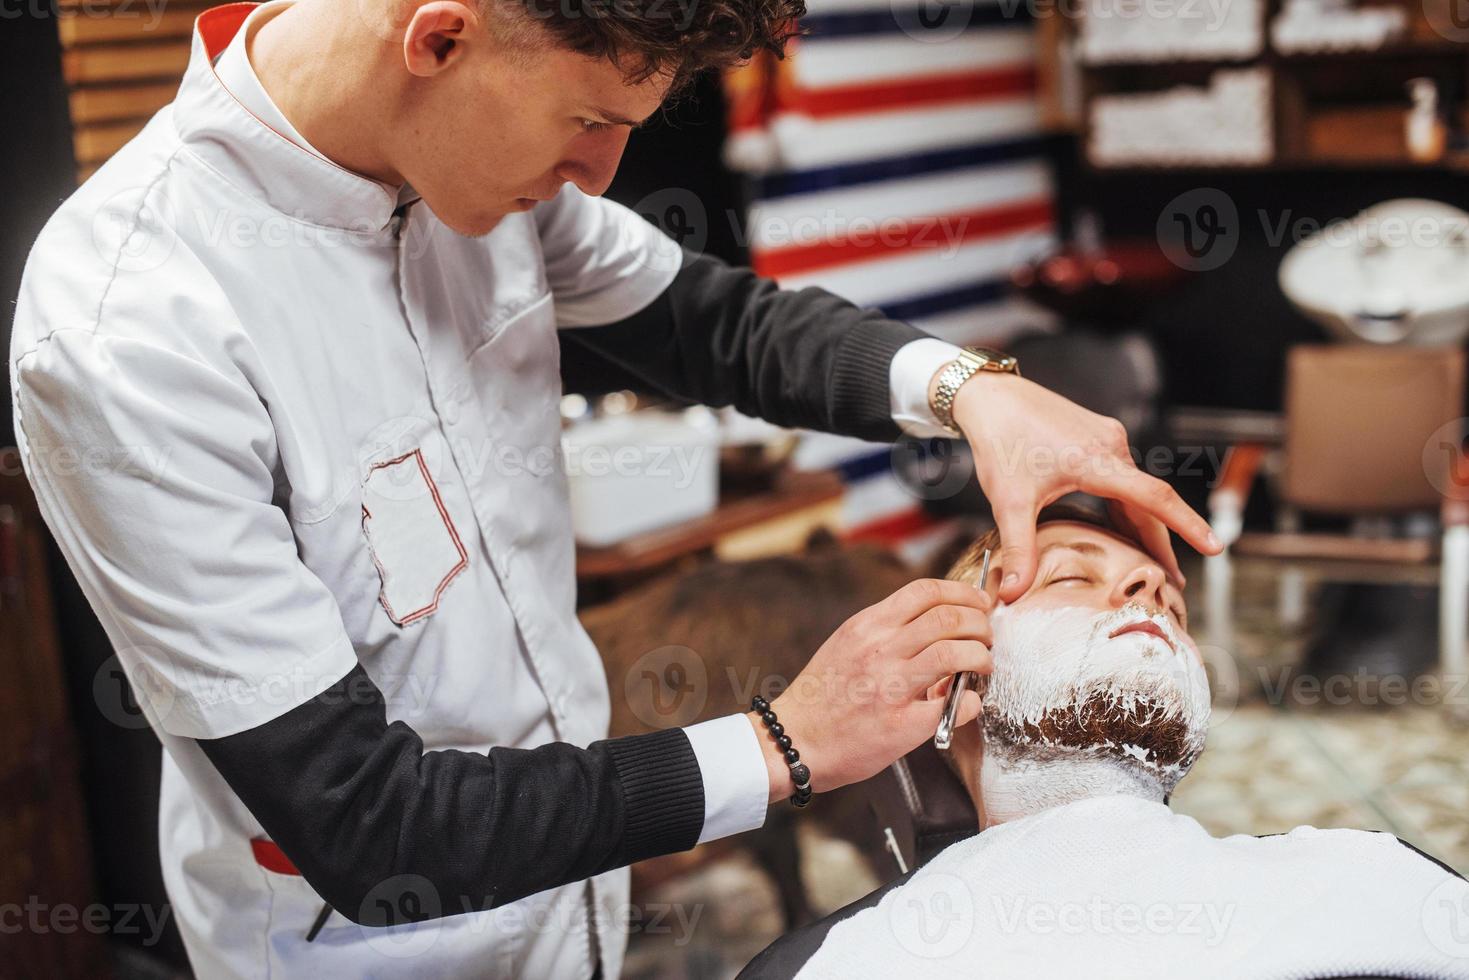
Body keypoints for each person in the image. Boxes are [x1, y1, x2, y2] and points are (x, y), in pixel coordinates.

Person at [7, 0, 1222, 974]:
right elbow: (368, 825)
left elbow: (715, 321)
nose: (599, 175)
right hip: (373, 942)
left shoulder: (477, 165)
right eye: (589, 118)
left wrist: (976, 392)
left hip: (577, 896)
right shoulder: (131, 329)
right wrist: (786, 743)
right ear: (438, 36)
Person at [741, 503, 1469, 979]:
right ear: (953, 681)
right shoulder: (842, 963)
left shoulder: (1368, 879)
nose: (1145, 594)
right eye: (1068, 576)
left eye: (1167, 598)